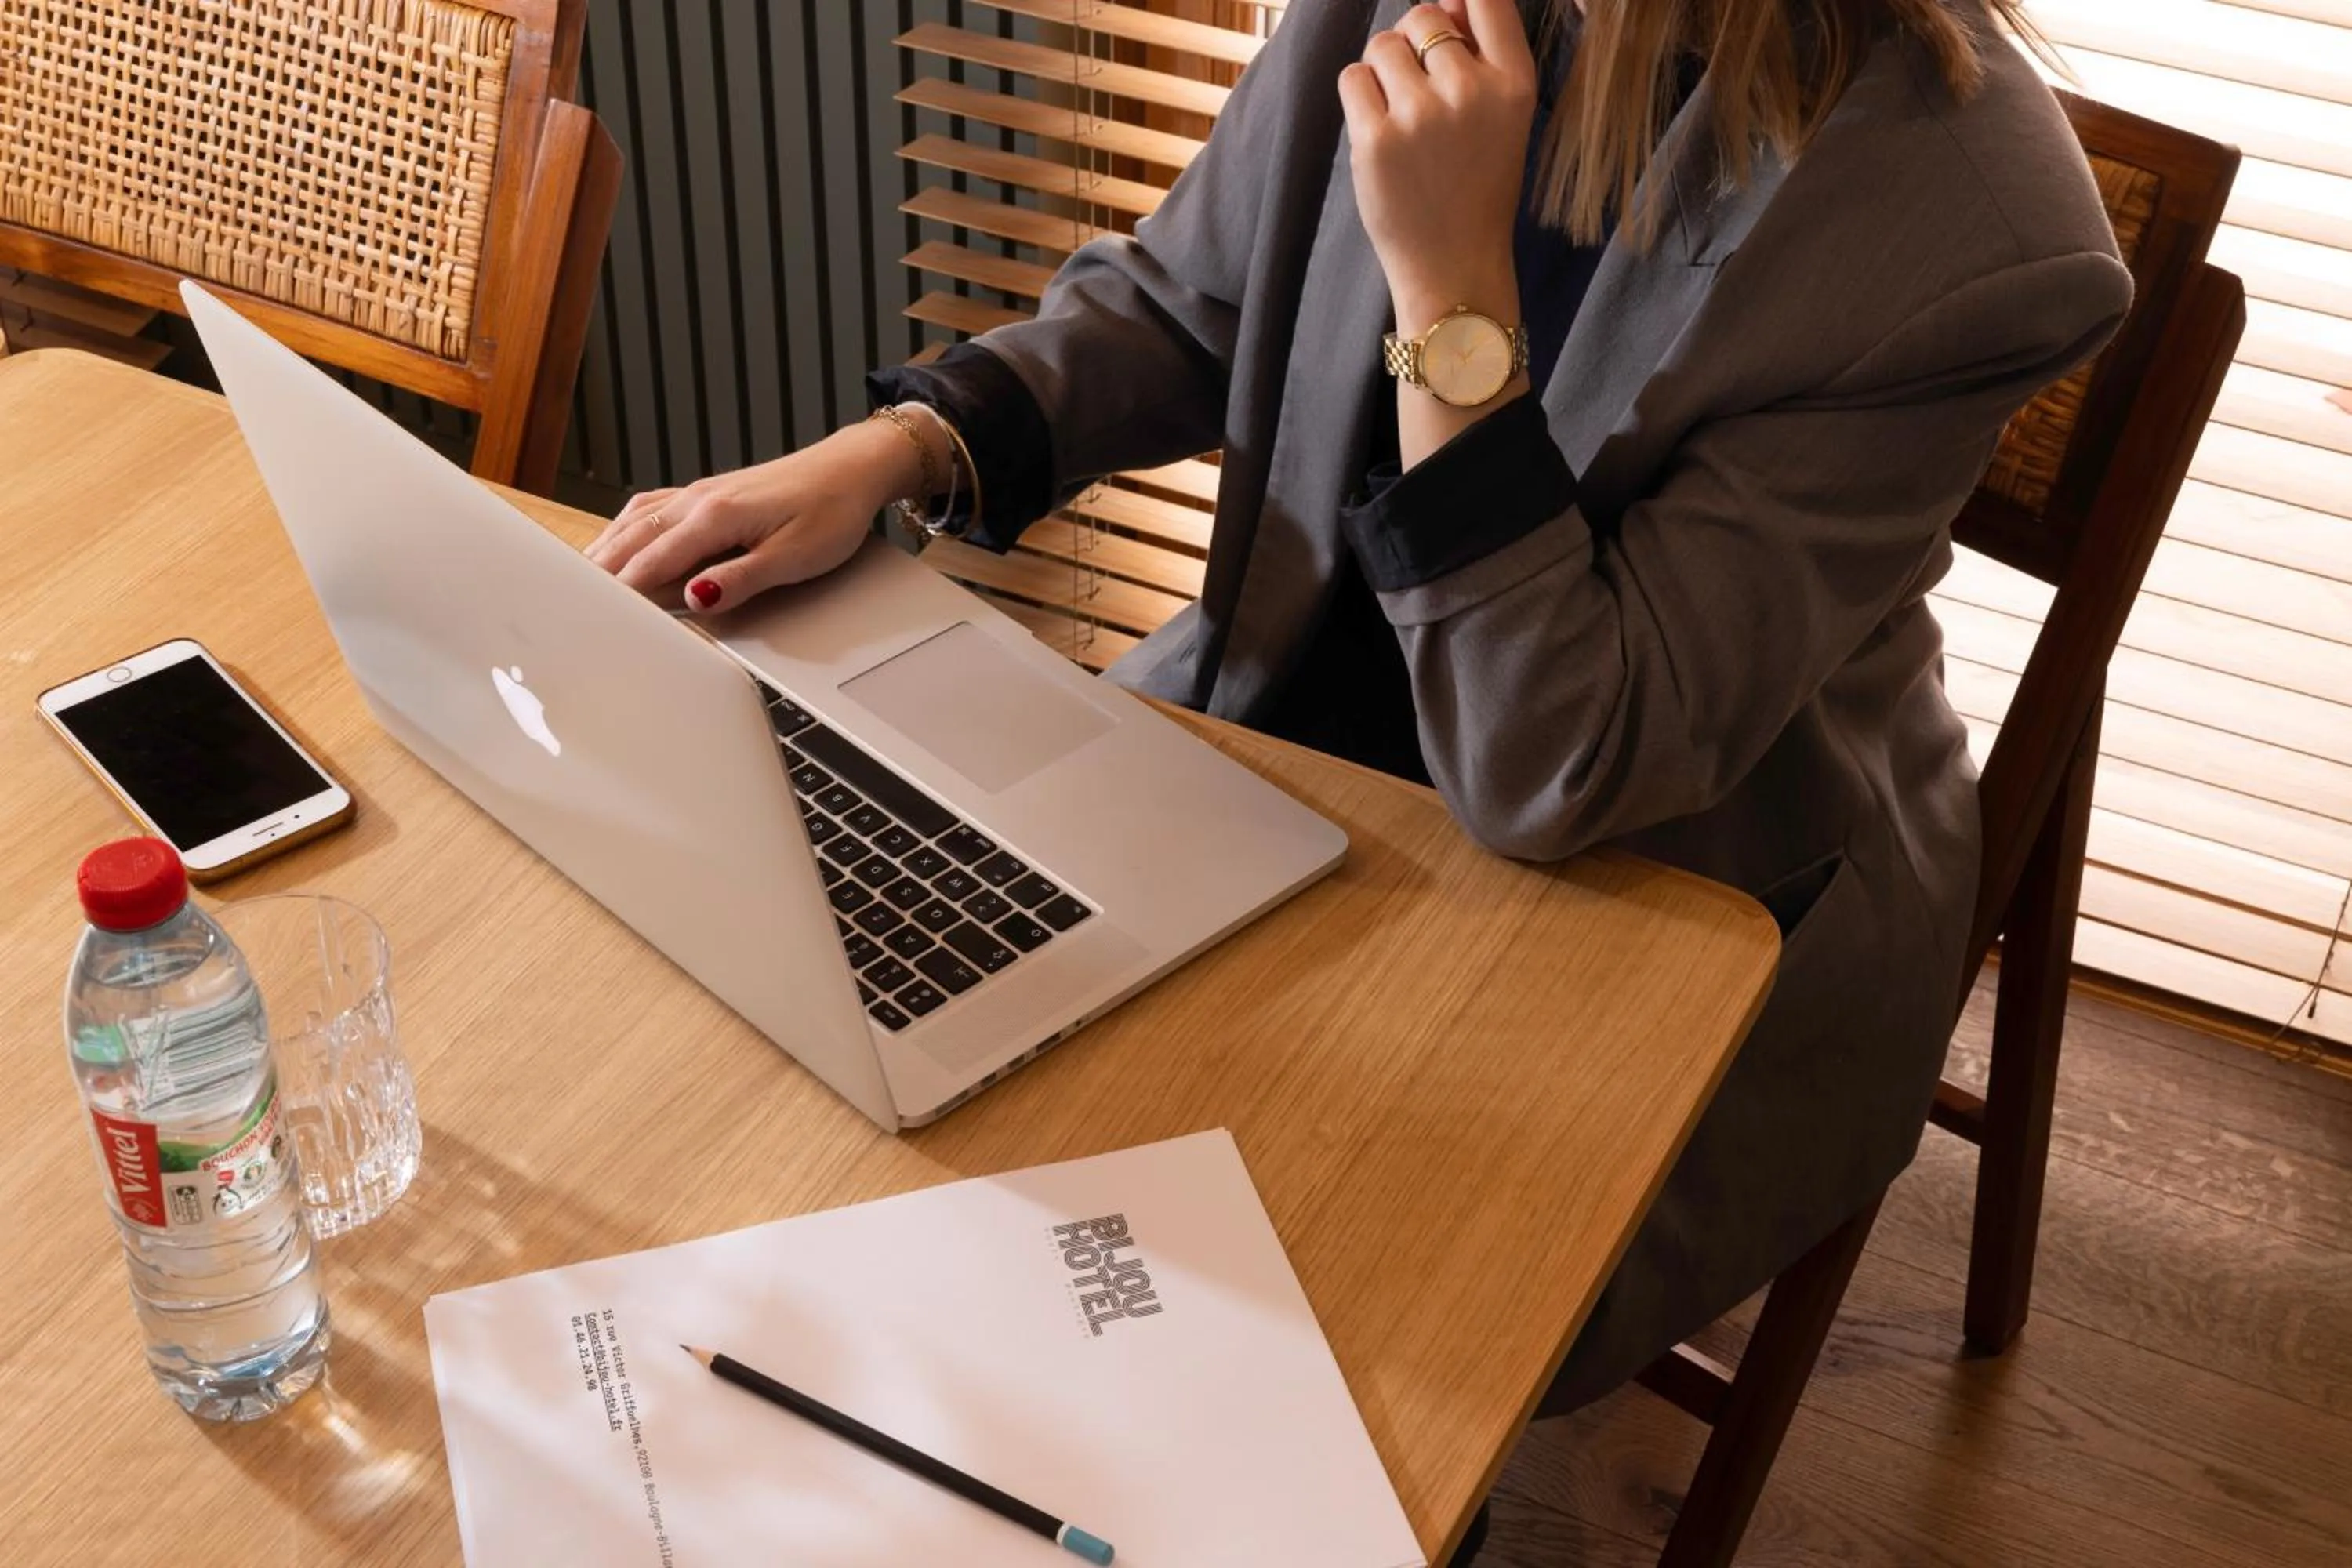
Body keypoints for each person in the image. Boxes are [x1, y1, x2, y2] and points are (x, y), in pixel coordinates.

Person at [590, 0, 2127, 1517]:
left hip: (1660, 881)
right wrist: (897, 455)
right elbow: (1194, 301)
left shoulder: (1971, 219)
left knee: (1287, 1361)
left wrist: (1449, 282)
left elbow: (1554, 763)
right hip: (1286, 747)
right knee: (891, 1105)